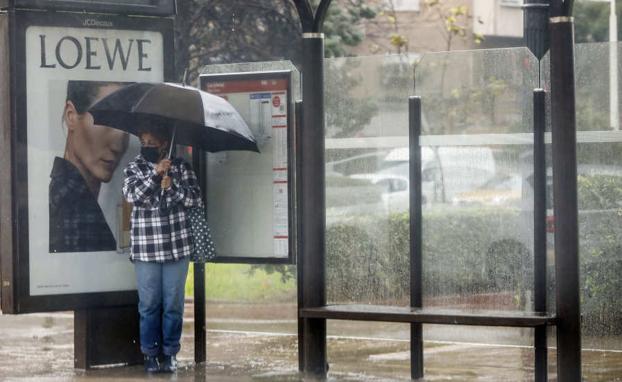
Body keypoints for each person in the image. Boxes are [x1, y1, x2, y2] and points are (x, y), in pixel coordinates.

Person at [122, 126, 202, 373]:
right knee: (149, 304)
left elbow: (195, 199)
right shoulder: (134, 168)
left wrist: (174, 188)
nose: (147, 146)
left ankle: (170, 353)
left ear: (164, 143)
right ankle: (150, 354)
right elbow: (132, 195)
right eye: (143, 141)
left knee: (173, 305)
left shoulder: (181, 167)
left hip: (177, 248)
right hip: (146, 250)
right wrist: (156, 175)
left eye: (152, 141)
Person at [49, 81, 129, 253]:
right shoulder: (73, 206)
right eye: (107, 120)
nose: (118, 145)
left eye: (127, 126)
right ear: (71, 116)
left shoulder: (69, 196)